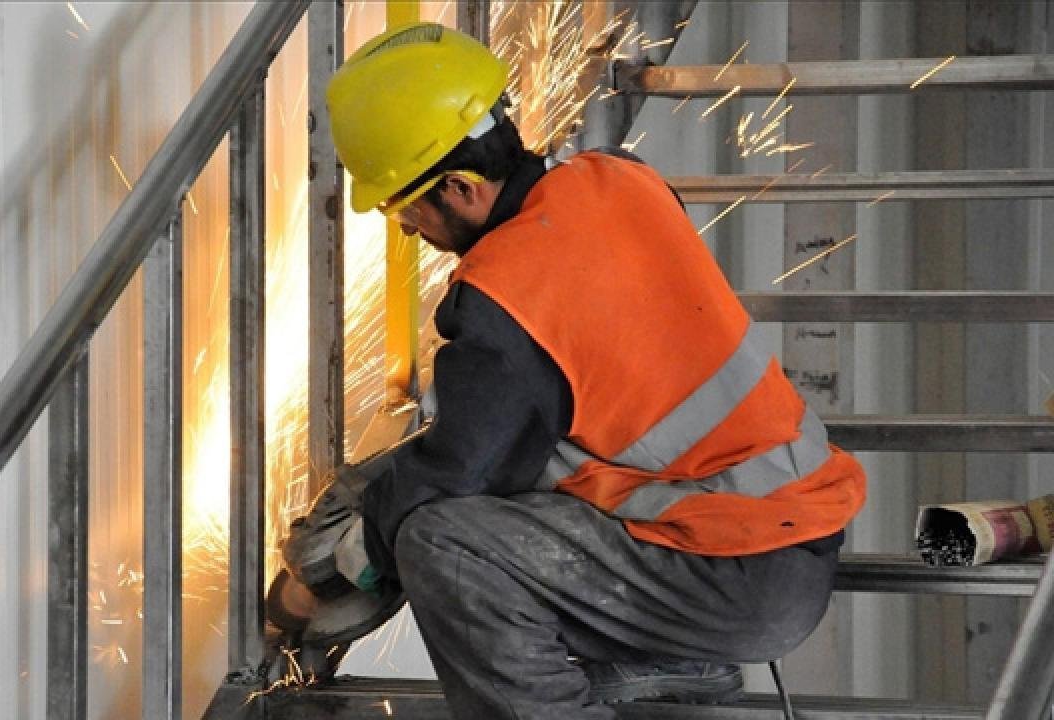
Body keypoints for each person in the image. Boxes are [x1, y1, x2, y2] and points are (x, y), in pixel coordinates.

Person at [317, 21, 867, 719]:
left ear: (458, 186)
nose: (407, 230)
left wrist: (352, 560)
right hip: (789, 540)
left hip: (726, 570)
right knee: (510, 464)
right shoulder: (616, 176)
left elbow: (459, 472)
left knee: (443, 546)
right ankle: (674, 662)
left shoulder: (505, 292)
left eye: (405, 210)